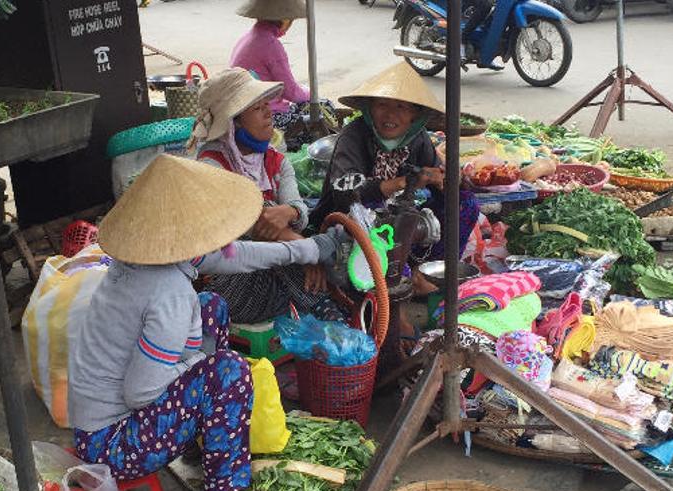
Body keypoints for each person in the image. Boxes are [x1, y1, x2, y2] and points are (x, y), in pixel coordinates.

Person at [69, 154, 346, 491]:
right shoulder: (167, 292)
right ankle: (225, 485)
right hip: (113, 446)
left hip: (99, 427)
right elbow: (141, 393)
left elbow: (238, 255)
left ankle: (204, 434)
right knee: (228, 372)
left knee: (210, 306)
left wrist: (308, 249)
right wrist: (199, 363)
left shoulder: (148, 257)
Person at [311, 62, 480, 326]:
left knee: (464, 204)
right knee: (383, 217)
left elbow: (440, 174)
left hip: (398, 228)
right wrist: (404, 181)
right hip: (351, 226)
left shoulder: (418, 138)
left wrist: (447, 180)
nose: (390, 114)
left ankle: (430, 275)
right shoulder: (353, 136)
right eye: (382, 105)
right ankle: (395, 305)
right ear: (369, 109)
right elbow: (347, 193)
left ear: (415, 114)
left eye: (401, 107)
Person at [189, 67, 344, 324]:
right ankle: (325, 308)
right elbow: (255, 227)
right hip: (231, 288)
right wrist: (309, 254)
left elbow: (298, 209)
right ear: (234, 121)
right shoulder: (212, 167)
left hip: (276, 280)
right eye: (257, 108)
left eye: (266, 104)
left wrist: (292, 211)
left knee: (288, 220)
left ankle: (322, 306)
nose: (268, 112)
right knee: (266, 211)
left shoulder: (277, 162)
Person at [229, 0, 331, 136]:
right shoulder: (270, 45)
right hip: (266, 116)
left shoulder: (248, 37)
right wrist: (311, 93)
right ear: (285, 21)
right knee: (325, 106)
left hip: (242, 112)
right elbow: (291, 93)